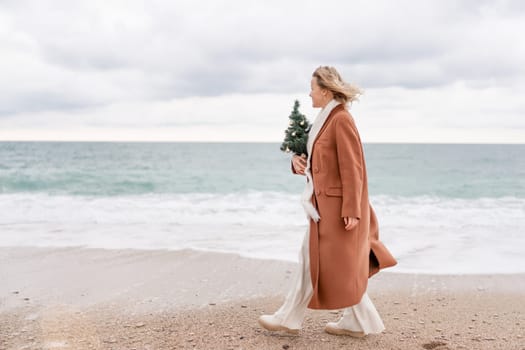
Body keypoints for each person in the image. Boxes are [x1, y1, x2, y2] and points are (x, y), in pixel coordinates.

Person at [258, 66, 397, 337]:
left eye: (311, 89)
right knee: (331, 265)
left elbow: (353, 168)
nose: (309, 94)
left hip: (337, 211)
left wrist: (352, 210)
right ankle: (358, 322)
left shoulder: (341, 119)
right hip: (321, 208)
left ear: (324, 90)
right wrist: (297, 161)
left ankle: (288, 318)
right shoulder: (325, 119)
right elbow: (320, 160)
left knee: (322, 262)